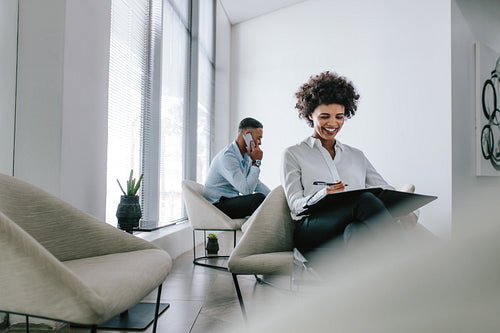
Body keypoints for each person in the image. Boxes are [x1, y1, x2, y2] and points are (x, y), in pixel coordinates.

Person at [281, 71, 417, 255]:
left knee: (356, 231)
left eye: (339, 116)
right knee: (364, 200)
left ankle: (370, 280)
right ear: (310, 114)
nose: (332, 123)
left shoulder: (356, 156)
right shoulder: (293, 154)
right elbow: (295, 204)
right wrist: (323, 194)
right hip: (311, 228)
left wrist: (409, 212)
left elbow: (385, 190)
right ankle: (409, 261)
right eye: (324, 116)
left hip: (345, 229)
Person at [204, 117, 271, 218]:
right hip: (216, 206)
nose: (260, 143)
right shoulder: (228, 156)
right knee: (258, 199)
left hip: (229, 200)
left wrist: (274, 197)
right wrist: (256, 163)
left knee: (268, 200)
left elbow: (255, 184)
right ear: (247, 134)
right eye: (259, 138)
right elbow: (246, 190)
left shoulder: (247, 156)